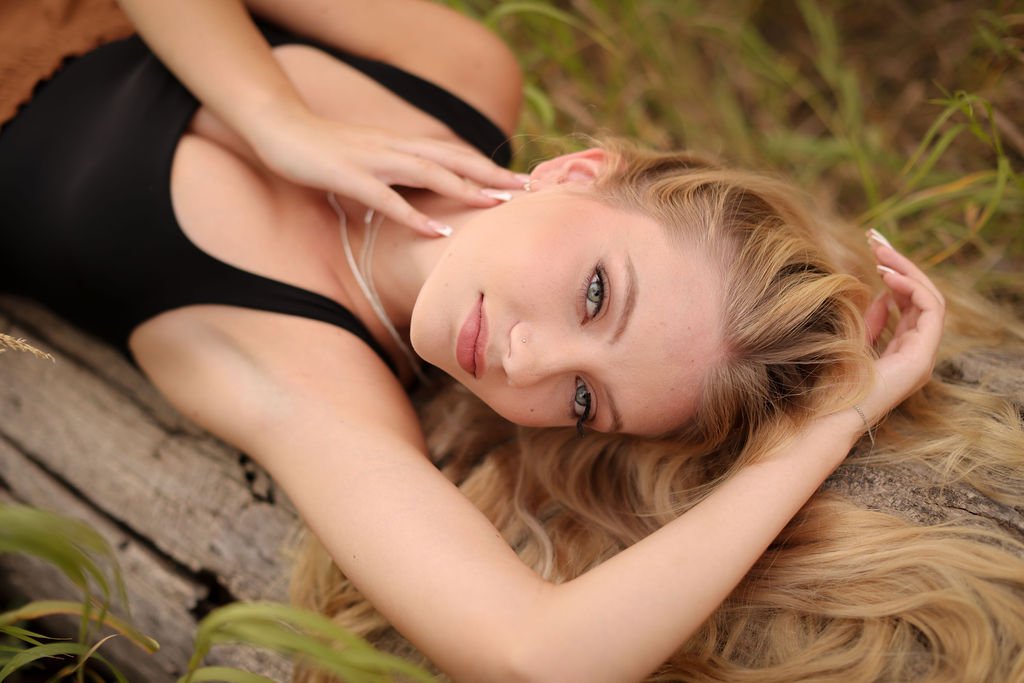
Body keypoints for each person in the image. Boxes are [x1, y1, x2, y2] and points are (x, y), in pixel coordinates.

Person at [0, 1, 1020, 681]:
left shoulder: (302, 368)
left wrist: (828, 428)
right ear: (578, 170)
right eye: (593, 295)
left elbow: (538, 653)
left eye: (584, 400)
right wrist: (273, 116)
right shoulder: (457, 73)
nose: (527, 364)